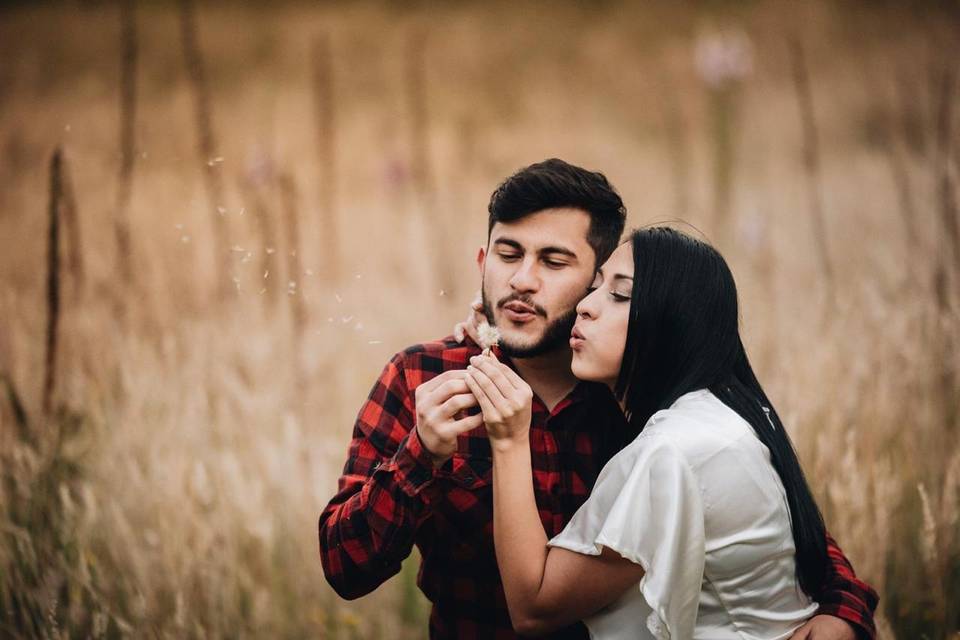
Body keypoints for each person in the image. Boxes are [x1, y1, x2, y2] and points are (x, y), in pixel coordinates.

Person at [318, 159, 878, 639]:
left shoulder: (635, 391)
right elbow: (345, 567)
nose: (523, 280)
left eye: (554, 262)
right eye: (508, 255)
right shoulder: (424, 377)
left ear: (597, 281)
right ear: (481, 262)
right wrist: (422, 454)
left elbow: (746, 508)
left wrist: (843, 607)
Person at [464, 226, 872, 639]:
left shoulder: (673, 450)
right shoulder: (724, 414)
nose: (584, 307)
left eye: (619, 295)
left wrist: (510, 439)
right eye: (594, 288)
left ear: (673, 321)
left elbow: (535, 606)